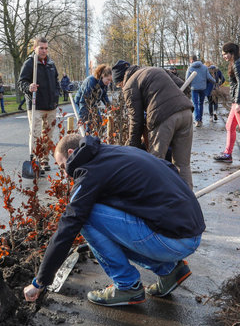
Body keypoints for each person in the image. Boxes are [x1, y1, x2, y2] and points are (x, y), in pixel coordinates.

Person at [22, 133, 204, 306]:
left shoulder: (88, 171)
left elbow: (70, 224)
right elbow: (170, 167)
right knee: (102, 222)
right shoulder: (114, 152)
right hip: (190, 233)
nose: (66, 174)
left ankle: (127, 286)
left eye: (62, 166)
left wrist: (40, 281)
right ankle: (170, 270)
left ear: (71, 153)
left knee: (86, 217)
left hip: (174, 240)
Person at [115, 61, 195, 188]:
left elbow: (136, 120)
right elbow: (184, 85)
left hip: (164, 117)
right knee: (183, 164)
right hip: (186, 112)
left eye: (119, 85)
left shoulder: (130, 85)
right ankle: (188, 201)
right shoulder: (155, 69)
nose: (121, 87)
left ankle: (156, 200)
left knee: (156, 163)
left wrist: (131, 148)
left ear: (121, 80)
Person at [17, 37, 61, 169]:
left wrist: (56, 96)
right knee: (35, 134)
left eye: (46, 48)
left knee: (48, 135)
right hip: (36, 105)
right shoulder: (30, 63)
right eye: (41, 48)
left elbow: (56, 82)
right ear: (35, 48)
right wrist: (29, 87)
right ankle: (34, 160)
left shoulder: (51, 64)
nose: (44, 51)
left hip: (50, 106)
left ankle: (44, 160)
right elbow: (21, 82)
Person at [73, 64, 111, 134]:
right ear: (102, 75)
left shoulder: (104, 85)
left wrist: (110, 107)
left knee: (99, 123)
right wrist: (83, 117)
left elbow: (104, 96)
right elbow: (83, 101)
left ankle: (96, 140)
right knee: (88, 125)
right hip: (81, 103)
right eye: (108, 79)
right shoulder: (91, 81)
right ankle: (86, 140)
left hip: (92, 104)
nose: (109, 82)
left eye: (110, 80)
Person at [186, 57, 215, 128]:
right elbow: (209, 77)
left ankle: (197, 120)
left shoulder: (190, 68)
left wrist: (190, 86)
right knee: (201, 103)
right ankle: (201, 120)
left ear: (192, 60)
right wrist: (214, 81)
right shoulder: (204, 67)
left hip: (194, 89)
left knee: (195, 104)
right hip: (202, 88)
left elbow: (187, 80)